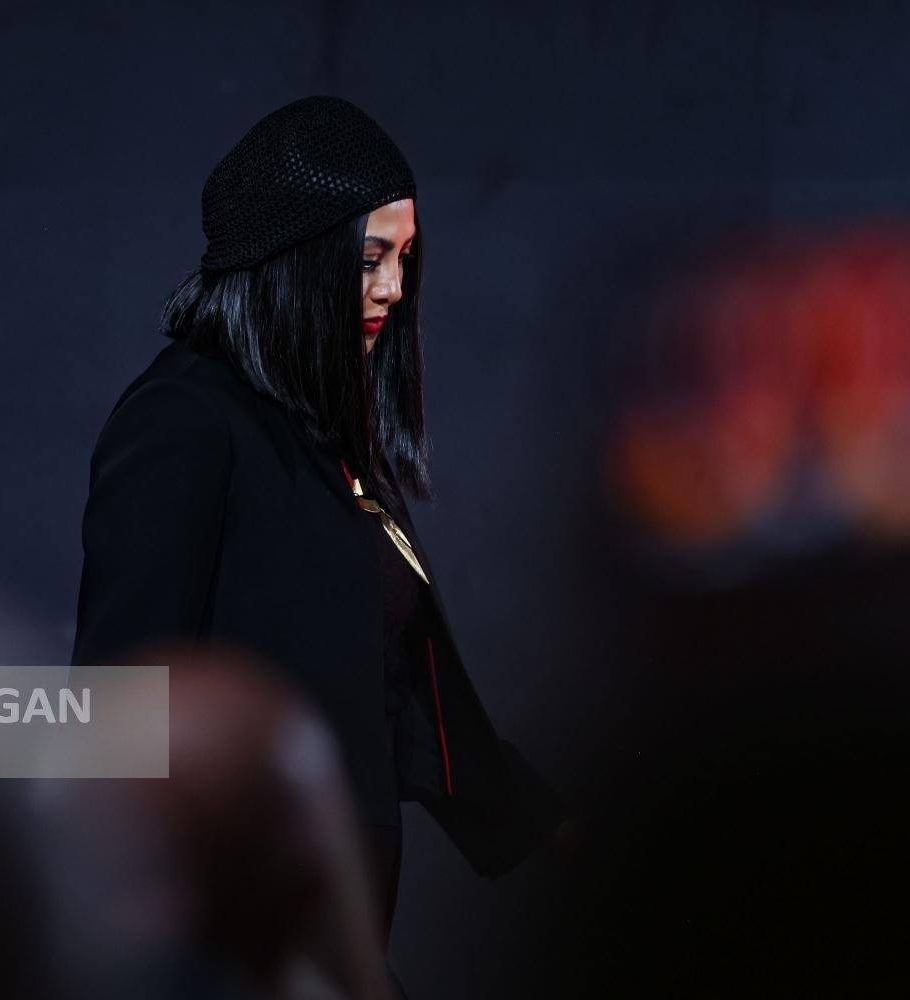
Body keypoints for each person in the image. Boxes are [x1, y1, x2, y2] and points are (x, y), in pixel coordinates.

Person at [70, 95, 566, 991]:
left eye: (405, 259)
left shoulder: (317, 430)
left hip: (332, 931)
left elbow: (407, 693)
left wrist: (551, 833)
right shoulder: (185, 418)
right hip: (238, 947)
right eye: (370, 258)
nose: (394, 288)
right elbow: (120, 706)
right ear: (294, 257)